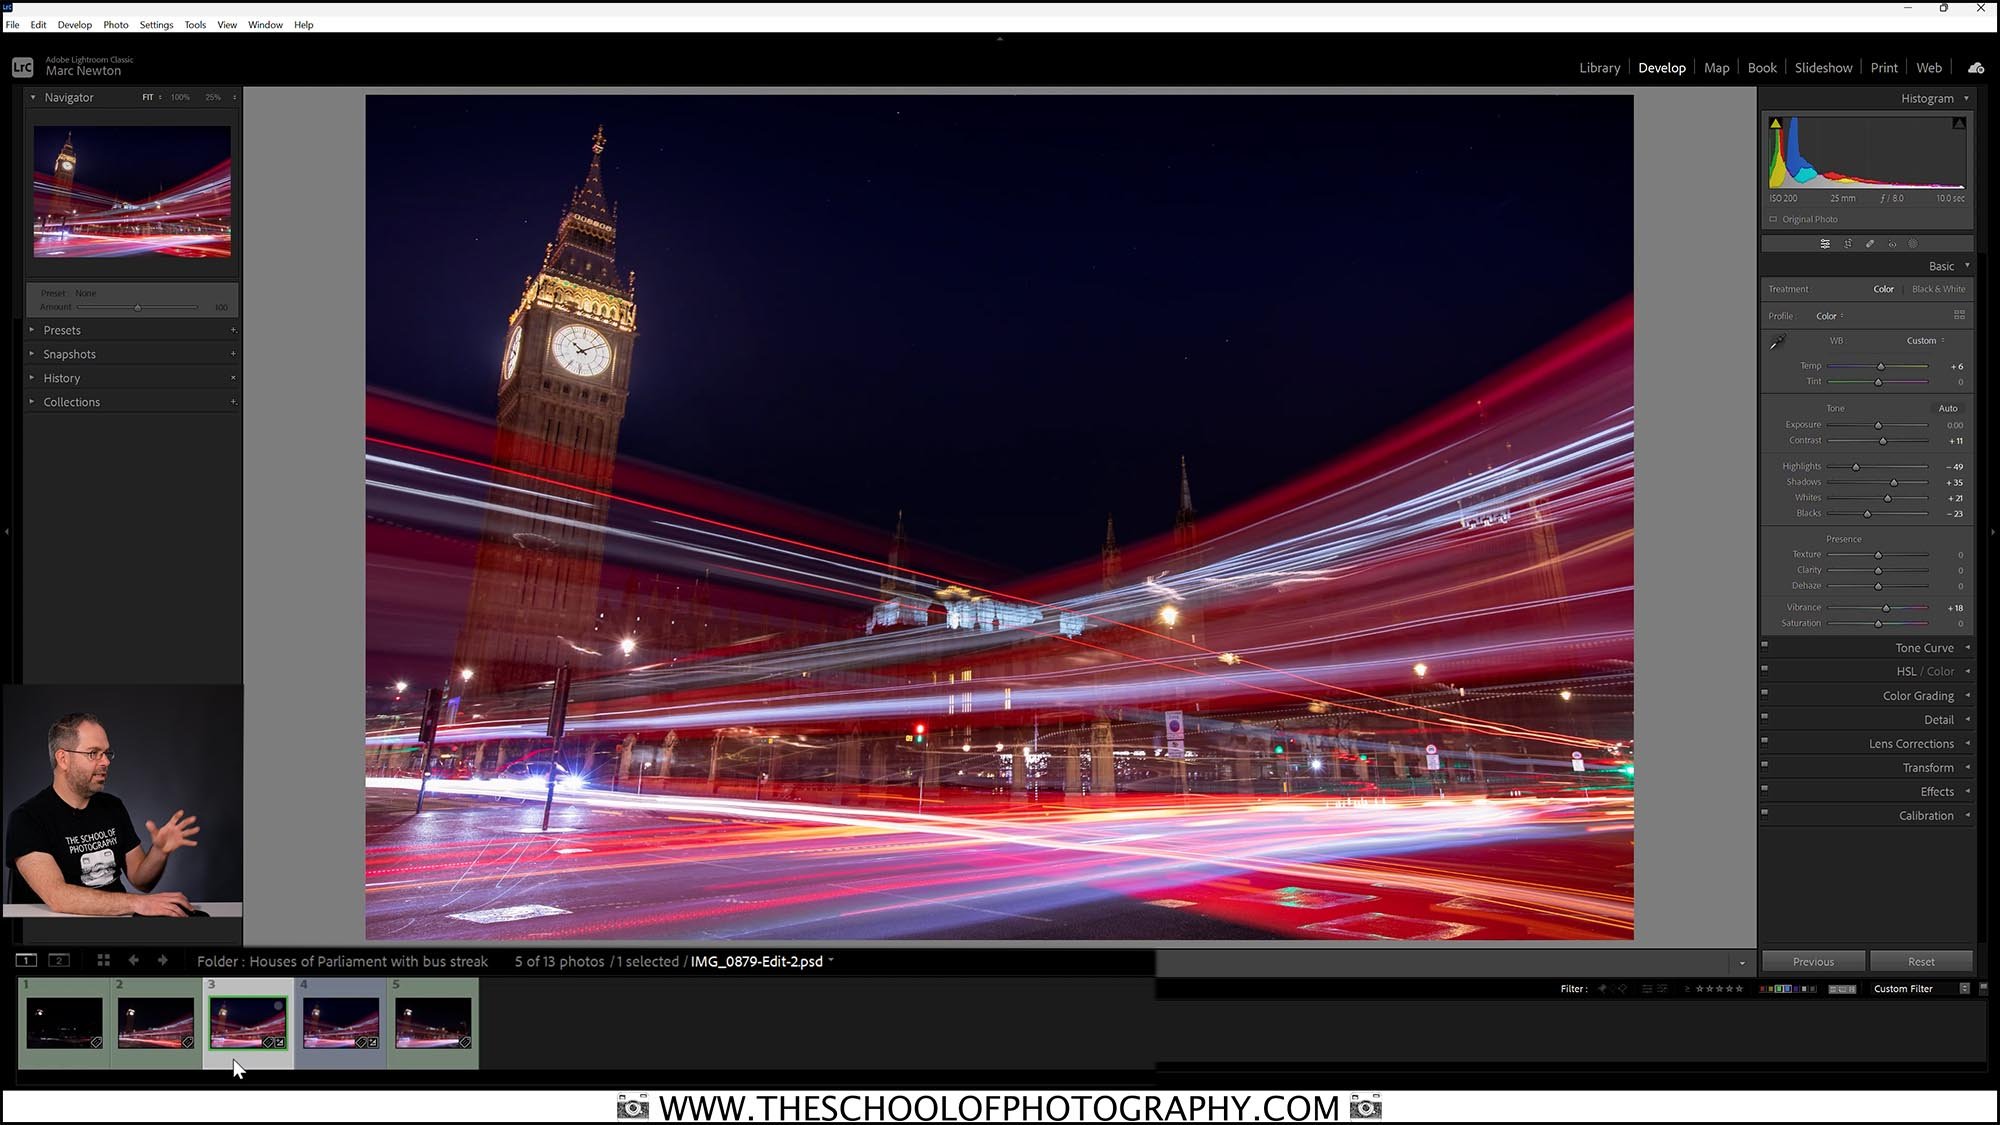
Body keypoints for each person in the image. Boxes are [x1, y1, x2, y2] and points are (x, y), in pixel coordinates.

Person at [5, 712, 200, 915]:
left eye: (107, 753)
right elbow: (58, 896)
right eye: (93, 753)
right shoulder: (27, 818)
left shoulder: (112, 807)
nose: (105, 762)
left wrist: (159, 852)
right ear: (63, 759)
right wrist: (137, 904)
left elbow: (141, 881)